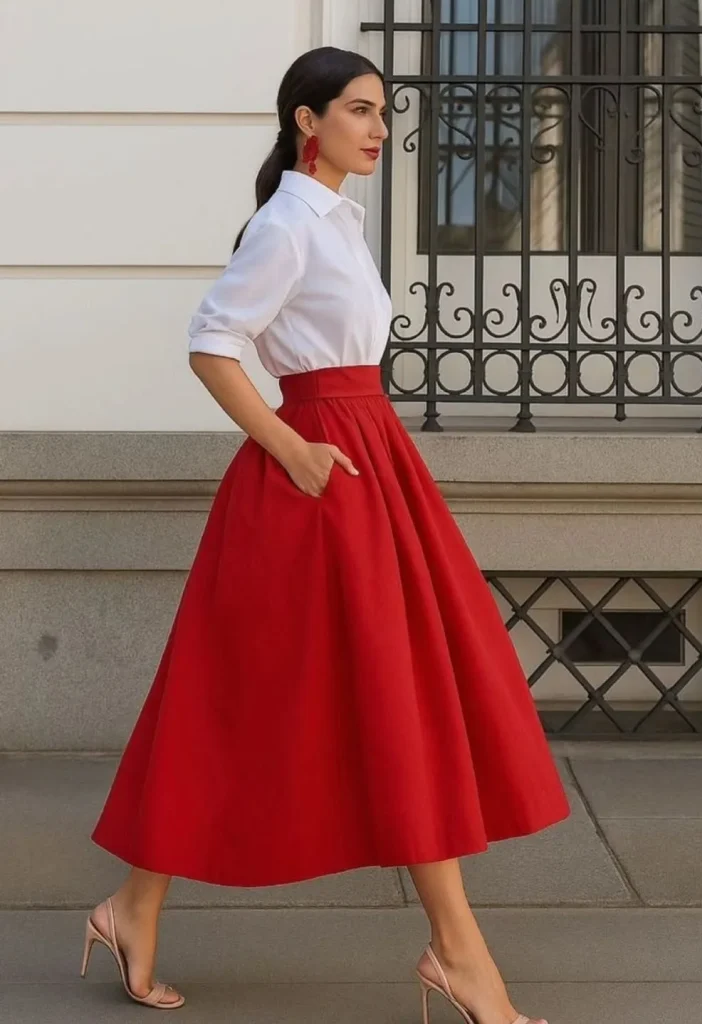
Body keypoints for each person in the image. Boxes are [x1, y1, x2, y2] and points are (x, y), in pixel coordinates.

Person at [83, 45, 570, 1024]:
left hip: (365, 464)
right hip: (316, 479)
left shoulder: (336, 220)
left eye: (382, 112)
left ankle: (136, 906)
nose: (378, 128)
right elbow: (212, 342)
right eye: (357, 110)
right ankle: (457, 952)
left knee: (368, 692)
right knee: (326, 694)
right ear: (306, 121)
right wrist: (292, 449)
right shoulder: (288, 223)